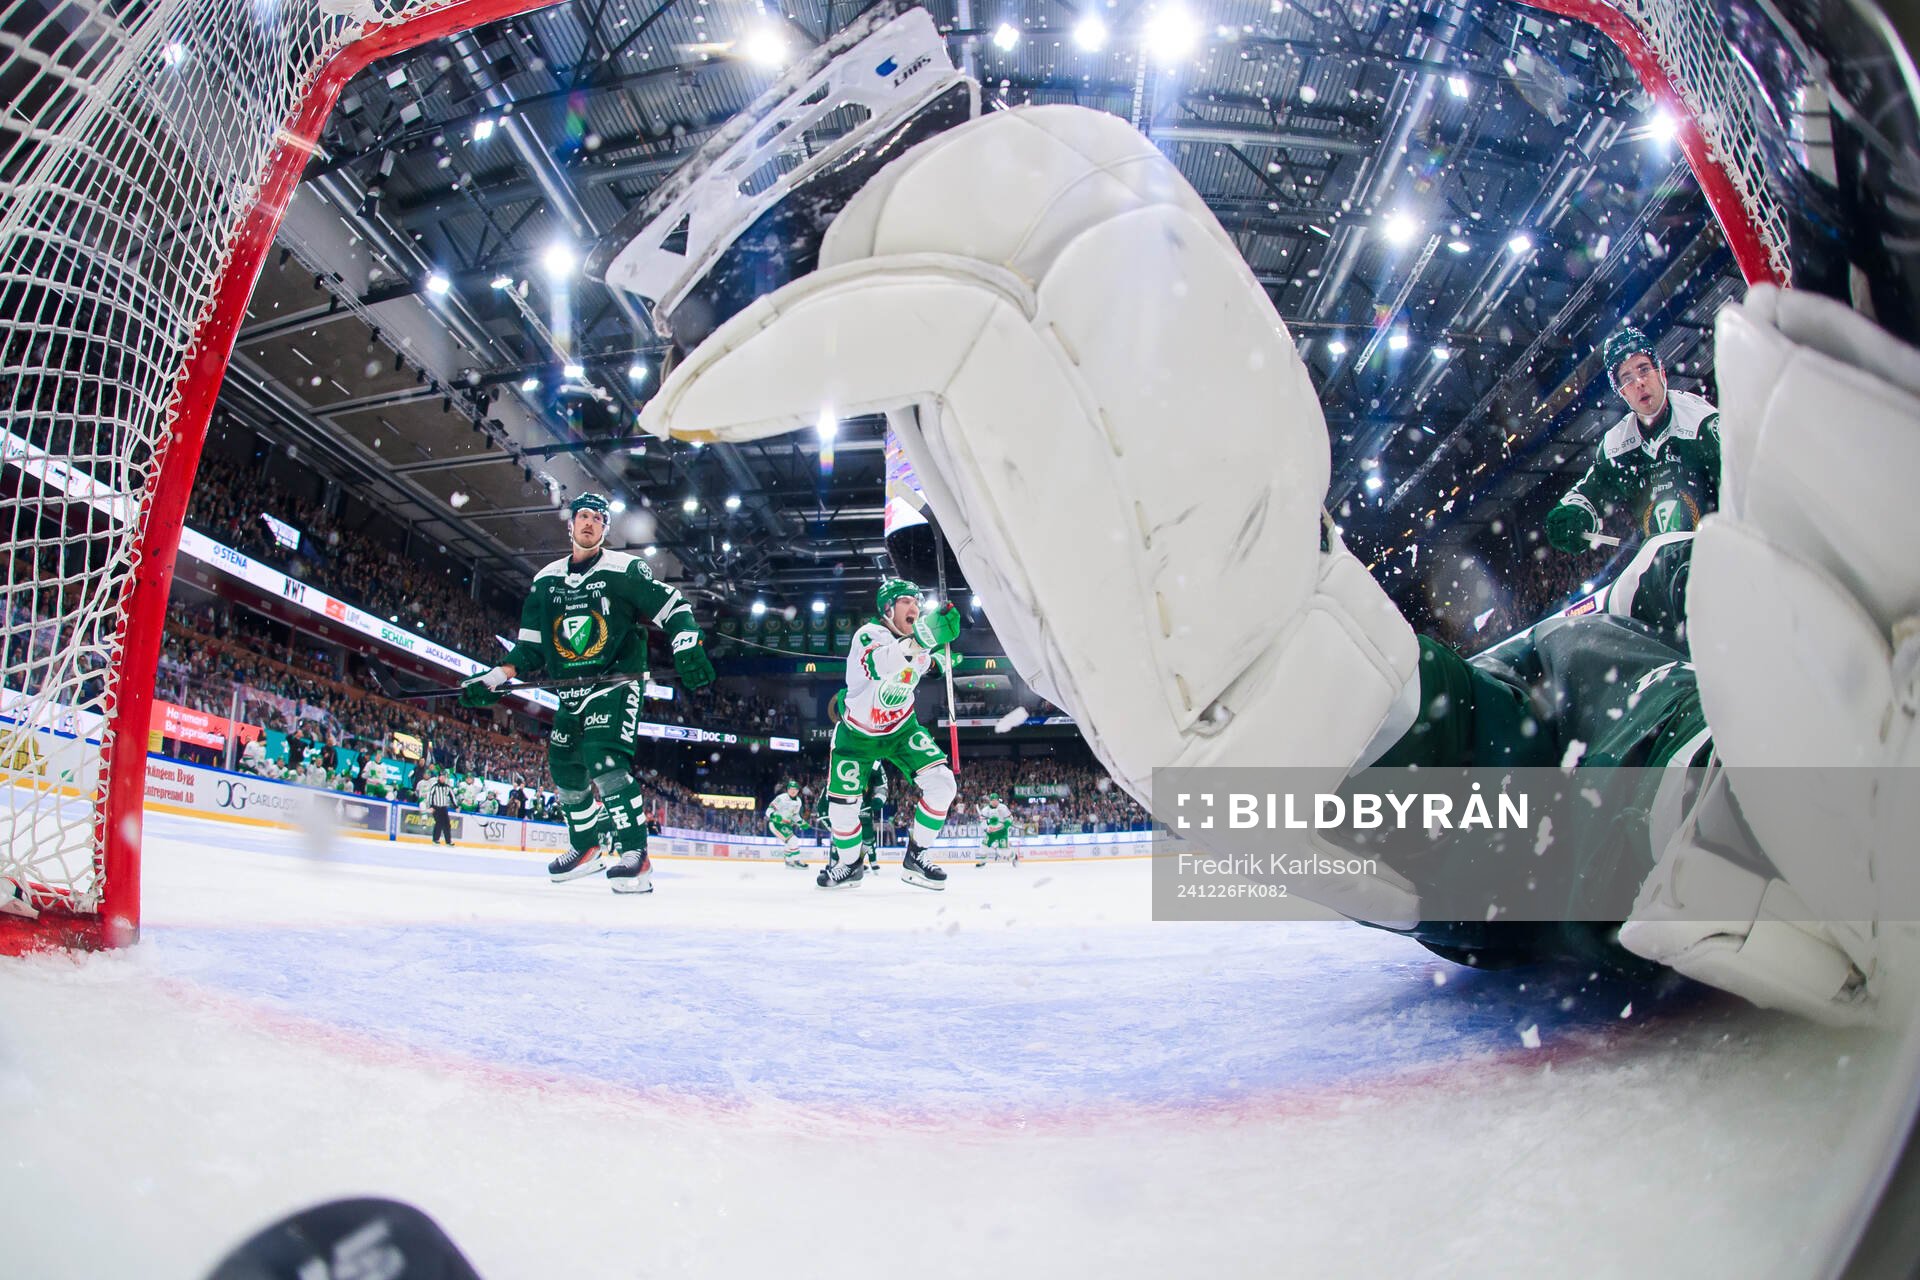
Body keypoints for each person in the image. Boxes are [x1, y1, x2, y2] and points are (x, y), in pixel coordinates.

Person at [623, 80, 1915, 1022]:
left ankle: (1785, 817)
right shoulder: (1068, 185)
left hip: (1361, 770)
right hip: (1378, 756)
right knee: (1497, 738)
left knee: (1471, 792)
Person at [460, 492, 716, 895]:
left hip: (616, 683)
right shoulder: (546, 580)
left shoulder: (624, 568)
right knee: (563, 766)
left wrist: (686, 643)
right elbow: (530, 648)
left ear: (604, 529)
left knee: (604, 760)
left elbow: (671, 604)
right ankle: (586, 848)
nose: (589, 523)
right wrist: (496, 677)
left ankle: (636, 855)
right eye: (582, 516)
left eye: (598, 518)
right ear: (570, 524)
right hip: (571, 690)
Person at [1544, 326, 1722, 648]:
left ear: (1661, 372)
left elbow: (1744, 480)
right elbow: (1588, 491)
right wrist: (1575, 515)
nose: (1638, 381)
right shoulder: (1616, 446)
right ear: (1621, 393)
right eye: (1626, 378)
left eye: (1643, 369)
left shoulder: (1701, 424)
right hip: (1657, 576)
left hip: (1714, 561)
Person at [815, 579, 961, 890]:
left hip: (901, 729)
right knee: (841, 809)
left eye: (918, 603)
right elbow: (879, 663)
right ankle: (850, 864)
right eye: (907, 601)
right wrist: (925, 637)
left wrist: (945, 660)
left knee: (943, 785)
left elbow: (927, 664)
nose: (916, 608)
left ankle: (916, 857)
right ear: (887, 608)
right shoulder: (870, 634)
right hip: (857, 735)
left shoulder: (916, 640)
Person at [816, 690, 888, 872]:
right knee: (840, 831)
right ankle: (838, 866)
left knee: (864, 836)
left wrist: (879, 798)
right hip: (845, 787)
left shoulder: (875, 762)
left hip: (860, 802)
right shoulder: (842, 736)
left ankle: (859, 865)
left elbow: (881, 784)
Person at [764, 779, 810, 869]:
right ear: (788, 790)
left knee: (790, 842)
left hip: (786, 825)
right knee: (793, 840)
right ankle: (796, 861)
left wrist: (801, 822)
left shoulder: (799, 801)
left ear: (798, 791)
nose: (793, 791)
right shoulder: (781, 798)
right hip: (776, 824)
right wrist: (774, 815)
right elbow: (768, 811)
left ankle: (789, 862)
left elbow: (795, 815)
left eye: (795, 789)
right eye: (791, 789)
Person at [974, 792, 1017, 868]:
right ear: (990, 801)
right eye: (993, 800)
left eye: (996, 800)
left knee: (1004, 852)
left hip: (1002, 832)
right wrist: (987, 828)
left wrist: (1007, 823)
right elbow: (982, 821)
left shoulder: (1003, 808)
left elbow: (1010, 817)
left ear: (998, 800)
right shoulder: (985, 810)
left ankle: (1014, 857)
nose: (994, 802)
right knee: (984, 847)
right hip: (991, 833)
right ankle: (982, 862)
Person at [421, 768, 457, 846]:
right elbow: (430, 796)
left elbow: (452, 796)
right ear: (438, 777)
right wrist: (431, 806)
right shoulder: (434, 786)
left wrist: (456, 806)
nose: (442, 778)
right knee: (439, 823)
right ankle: (435, 840)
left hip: (444, 808)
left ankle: (448, 841)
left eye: (444, 777)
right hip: (436, 807)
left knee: (447, 824)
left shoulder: (447, 787)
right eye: (441, 777)